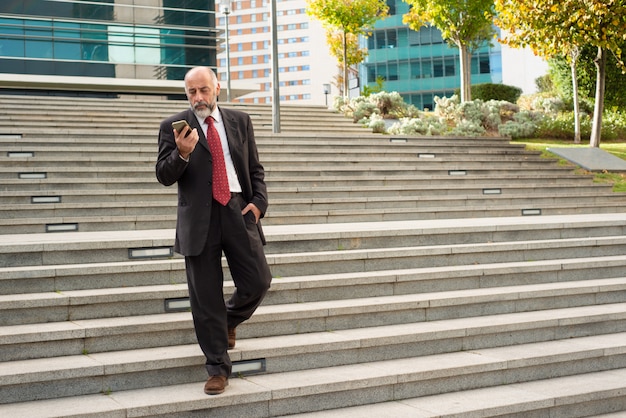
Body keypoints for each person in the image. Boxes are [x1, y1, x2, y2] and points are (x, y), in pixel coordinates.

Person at [156, 66, 272, 395]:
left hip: (237, 210)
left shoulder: (240, 121)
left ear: (217, 88)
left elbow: (254, 168)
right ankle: (217, 367)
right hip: (199, 219)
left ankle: (229, 321)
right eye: (192, 92)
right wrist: (182, 153)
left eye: (204, 90)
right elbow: (163, 174)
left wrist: (259, 203)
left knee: (258, 280)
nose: (198, 98)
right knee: (205, 298)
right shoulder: (174, 127)